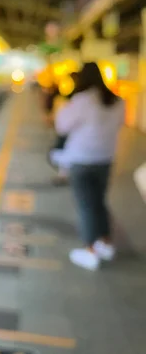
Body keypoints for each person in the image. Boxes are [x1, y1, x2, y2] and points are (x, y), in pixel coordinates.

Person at [54, 62, 125, 270]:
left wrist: (63, 106)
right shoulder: (117, 101)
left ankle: (90, 251)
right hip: (105, 159)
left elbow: (61, 126)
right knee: (99, 202)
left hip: (81, 160)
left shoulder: (82, 100)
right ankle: (105, 242)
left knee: (86, 206)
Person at [49, 71, 80, 185]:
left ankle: (64, 175)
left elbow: (62, 127)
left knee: (61, 150)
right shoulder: (83, 97)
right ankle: (63, 174)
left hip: (73, 130)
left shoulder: (80, 97)